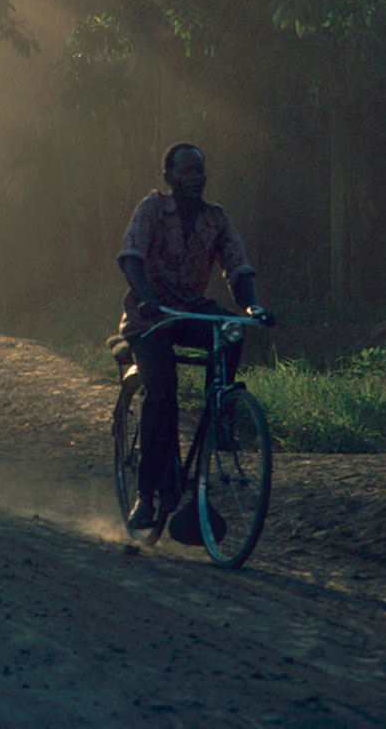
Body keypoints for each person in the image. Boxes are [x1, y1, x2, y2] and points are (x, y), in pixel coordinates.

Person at [116, 143, 273, 532]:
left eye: (199, 171)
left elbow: (238, 268)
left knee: (230, 331)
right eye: (186, 171)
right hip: (151, 318)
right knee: (163, 396)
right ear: (169, 176)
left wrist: (252, 308)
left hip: (189, 309)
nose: (195, 178)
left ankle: (220, 411)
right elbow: (130, 257)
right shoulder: (152, 209)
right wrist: (148, 299)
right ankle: (147, 494)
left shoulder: (215, 218)